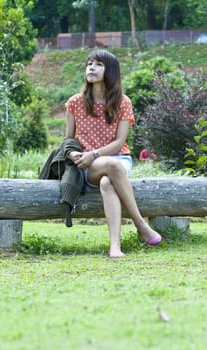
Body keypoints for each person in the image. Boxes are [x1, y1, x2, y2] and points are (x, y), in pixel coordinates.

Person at [65, 49, 162, 258]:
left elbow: (120, 142)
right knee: (111, 167)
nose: (91, 67)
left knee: (108, 182)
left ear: (111, 72)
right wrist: (75, 155)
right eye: (89, 63)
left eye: (98, 64)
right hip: (88, 165)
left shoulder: (123, 102)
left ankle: (115, 247)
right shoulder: (74, 102)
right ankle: (140, 224)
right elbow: (68, 141)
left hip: (118, 159)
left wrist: (95, 153)